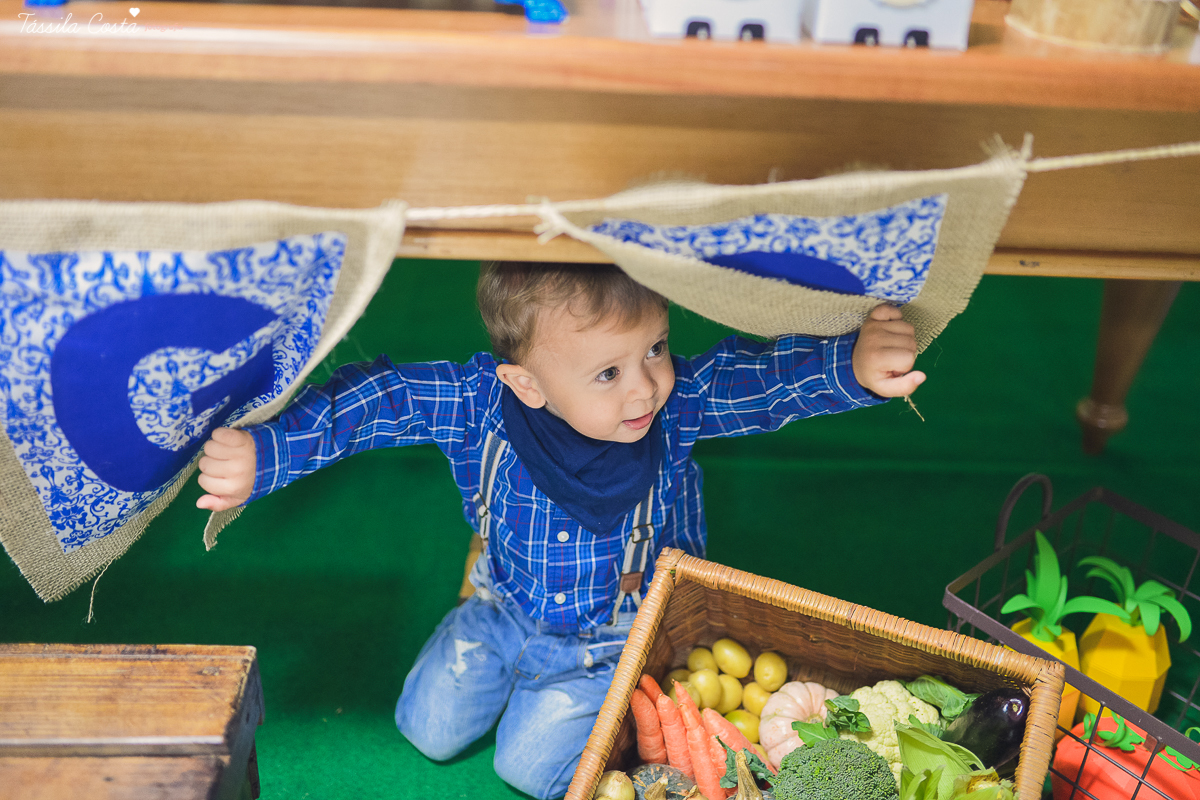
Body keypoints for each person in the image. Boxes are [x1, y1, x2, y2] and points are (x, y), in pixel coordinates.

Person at [195, 260, 925, 799]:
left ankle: (585, 691)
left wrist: (853, 366)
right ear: (527, 384)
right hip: (503, 606)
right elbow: (378, 402)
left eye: (655, 348)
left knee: (530, 769)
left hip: (610, 634)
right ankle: (482, 636)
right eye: (607, 374)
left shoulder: (675, 409)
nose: (645, 385)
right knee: (427, 727)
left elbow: (757, 384)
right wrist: (268, 453)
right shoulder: (479, 404)